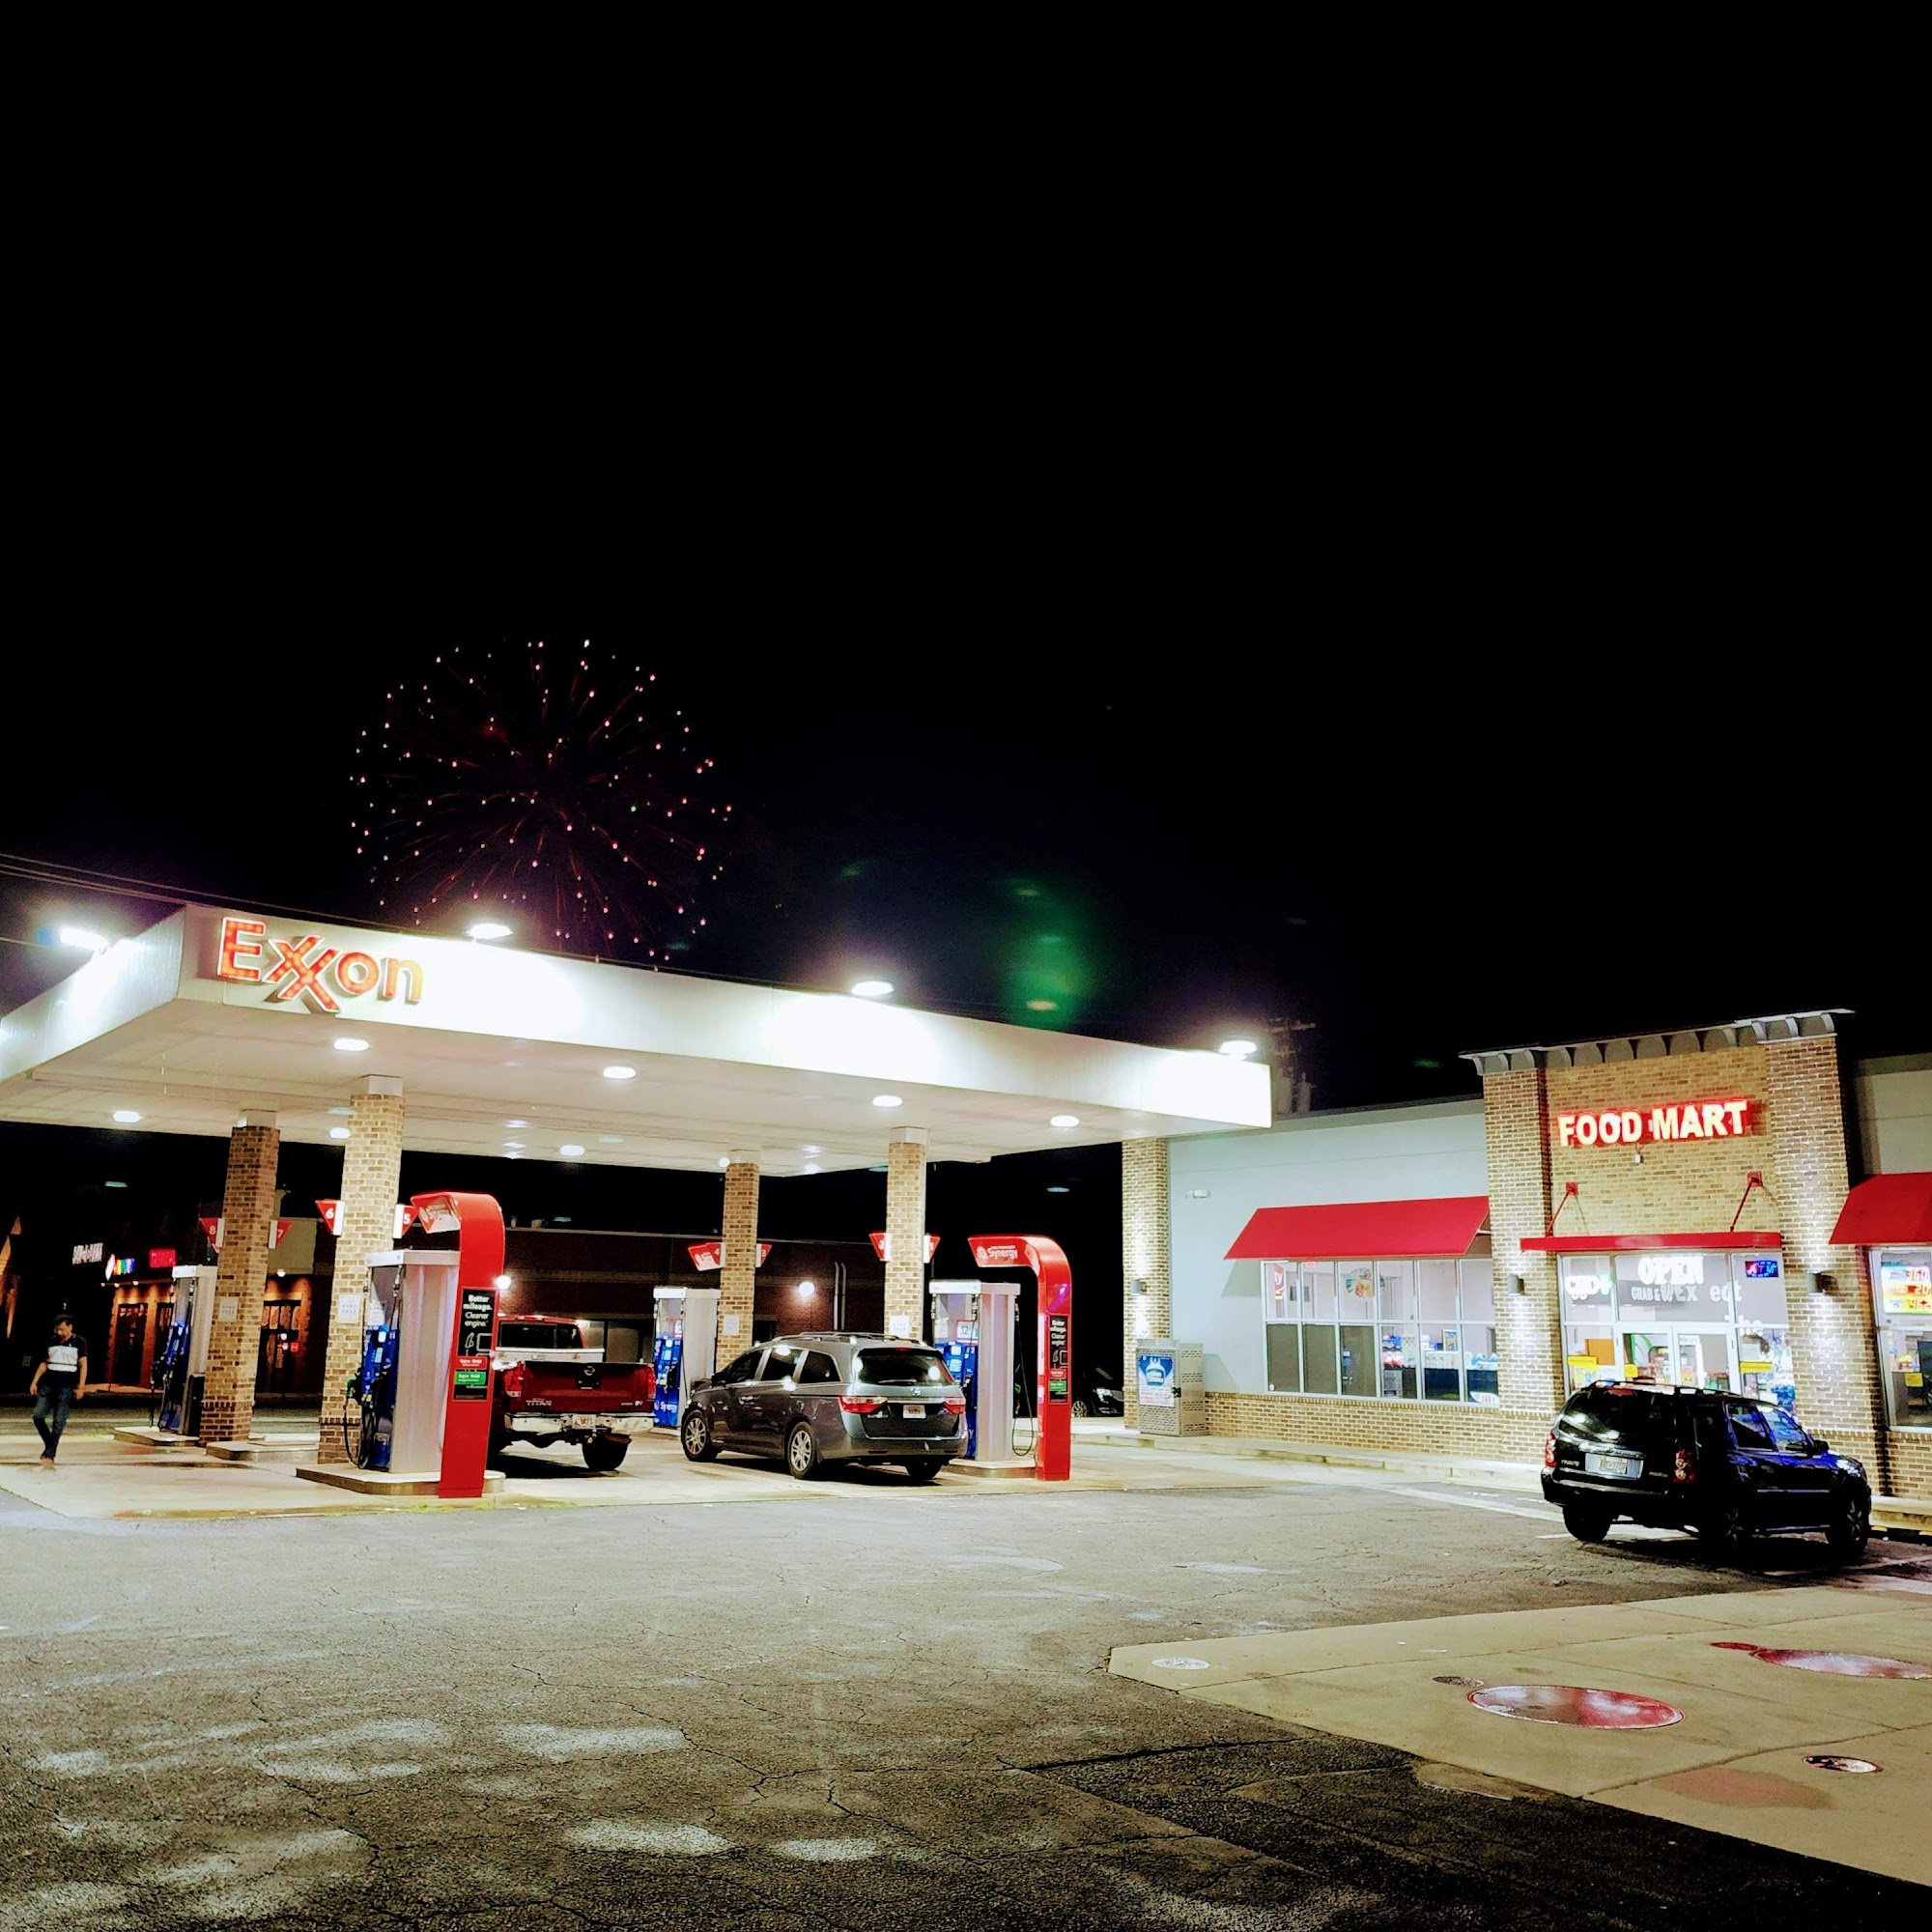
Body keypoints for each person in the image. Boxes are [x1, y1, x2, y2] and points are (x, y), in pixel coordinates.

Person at [28, 1316, 88, 1466]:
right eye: (58, 1330)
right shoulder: (52, 1341)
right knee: (38, 1415)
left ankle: (50, 1453)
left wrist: (81, 1386)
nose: (60, 1333)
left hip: (66, 1385)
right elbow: (44, 1362)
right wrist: (35, 1381)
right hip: (48, 1384)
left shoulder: (79, 1342)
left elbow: (83, 1364)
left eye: (63, 1329)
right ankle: (50, 1443)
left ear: (70, 1327)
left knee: (59, 1420)